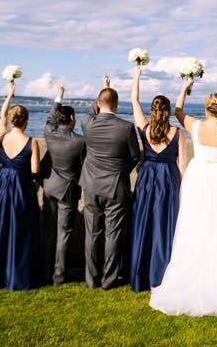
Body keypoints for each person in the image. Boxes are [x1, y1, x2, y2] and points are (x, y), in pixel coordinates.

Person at [149, 80, 217, 316]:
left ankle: (193, 276)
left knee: (197, 227)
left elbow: (178, 111)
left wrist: (184, 88)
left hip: (199, 179)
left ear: (206, 108)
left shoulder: (196, 126)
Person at [80, 75, 142, 290]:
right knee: (113, 233)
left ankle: (91, 278)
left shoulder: (87, 123)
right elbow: (135, 156)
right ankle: (109, 278)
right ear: (116, 105)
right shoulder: (126, 127)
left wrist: (104, 88)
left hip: (91, 184)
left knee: (92, 232)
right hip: (116, 185)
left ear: (98, 103)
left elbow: (92, 109)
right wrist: (120, 171)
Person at [128, 66, 186, 292]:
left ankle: (141, 273)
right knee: (165, 224)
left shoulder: (145, 128)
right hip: (169, 180)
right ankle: (163, 273)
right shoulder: (178, 134)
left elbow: (134, 101)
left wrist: (136, 77)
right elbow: (182, 165)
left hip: (147, 178)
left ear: (152, 111)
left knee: (144, 222)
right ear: (168, 112)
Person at [0, 83, 42, 289]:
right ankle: (18, 273)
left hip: (1, 183)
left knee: (0, 227)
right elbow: (35, 170)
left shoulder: (0, 137)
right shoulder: (31, 142)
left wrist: (9, 95)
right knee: (20, 229)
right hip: (20, 184)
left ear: (11, 120)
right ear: (26, 121)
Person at [41, 81, 86, 285]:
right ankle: (59, 275)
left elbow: (51, 115)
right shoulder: (79, 141)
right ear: (73, 119)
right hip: (67, 190)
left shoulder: (49, 132)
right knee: (64, 233)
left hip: (49, 186)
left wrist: (59, 95)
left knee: (50, 231)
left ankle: (45, 269)